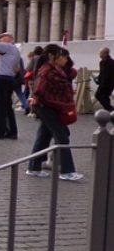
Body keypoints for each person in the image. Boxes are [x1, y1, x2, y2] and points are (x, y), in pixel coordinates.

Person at [26, 44, 84, 181]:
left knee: (43, 137)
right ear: (53, 56)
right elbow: (39, 89)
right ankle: (67, 171)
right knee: (62, 136)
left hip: (50, 107)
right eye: (63, 56)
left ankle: (34, 167)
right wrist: (42, 99)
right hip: (48, 107)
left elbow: (68, 73)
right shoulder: (48, 70)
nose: (66, 59)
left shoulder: (54, 69)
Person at [94, 47, 114, 112]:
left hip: (105, 84)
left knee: (98, 95)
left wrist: (100, 82)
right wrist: (98, 79)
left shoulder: (105, 62)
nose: (99, 54)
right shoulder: (109, 61)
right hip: (110, 84)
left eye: (100, 53)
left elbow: (105, 74)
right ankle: (109, 110)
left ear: (104, 54)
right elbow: (102, 73)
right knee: (105, 97)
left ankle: (110, 109)